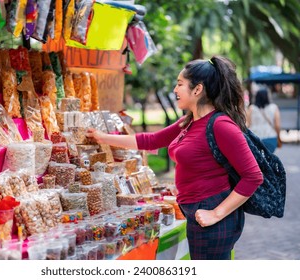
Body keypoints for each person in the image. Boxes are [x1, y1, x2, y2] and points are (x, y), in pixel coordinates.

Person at [86, 55, 263, 260]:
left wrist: (215, 214)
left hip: (212, 215)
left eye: (180, 84)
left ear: (197, 89)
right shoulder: (188, 122)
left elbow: (253, 177)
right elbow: (151, 140)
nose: (175, 90)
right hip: (196, 211)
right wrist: (102, 137)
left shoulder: (221, 125)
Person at [246, 88, 281, 153]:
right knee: (269, 159)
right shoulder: (274, 107)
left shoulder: (251, 108)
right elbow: (277, 125)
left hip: (255, 139)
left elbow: (247, 124)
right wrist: (278, 137)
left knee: (257, 160)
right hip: (271, 138)